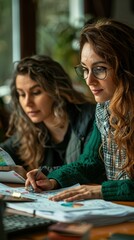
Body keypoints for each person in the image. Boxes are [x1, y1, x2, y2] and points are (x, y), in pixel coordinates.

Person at [25, 18, 134, 201]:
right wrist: (53, 179)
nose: (89, 80)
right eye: (85, 69)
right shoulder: (104, 109)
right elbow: (89, 163)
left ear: (125, 68)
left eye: (99, 69)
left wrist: (100, 191)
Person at [0, 55, 96, 172]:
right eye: (22, 94)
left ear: (56, 90)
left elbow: (86, 169)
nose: (27, 102)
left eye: (36, 92)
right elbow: (3, 152)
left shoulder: (90, 118)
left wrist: (35, 175)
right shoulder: (30, 129)